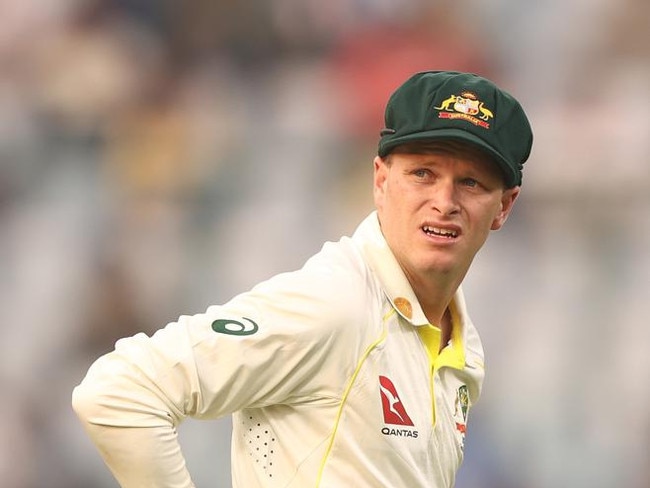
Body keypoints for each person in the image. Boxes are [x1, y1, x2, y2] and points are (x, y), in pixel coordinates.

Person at [72, 70, 533, 487]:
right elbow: (118, 391)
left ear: (504, 206)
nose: (444, 201)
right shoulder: (336, 303)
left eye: (471, 182)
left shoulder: (462, 346)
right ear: (380, 180)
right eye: (423, 174)